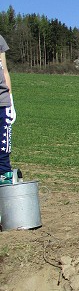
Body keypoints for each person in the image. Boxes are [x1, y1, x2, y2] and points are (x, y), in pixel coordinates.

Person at [0, 34, 16, 184]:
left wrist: (10, 99)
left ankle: (5, 176)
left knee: (3, 143)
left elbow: (4, 71)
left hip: (2, 101)